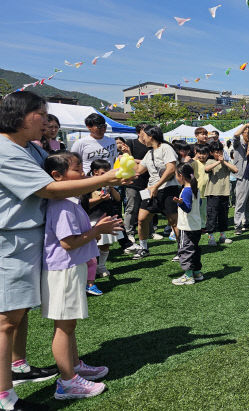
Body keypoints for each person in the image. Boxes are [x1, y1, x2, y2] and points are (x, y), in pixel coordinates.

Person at [0, 91, 128, 409]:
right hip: (12, 241)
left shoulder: (30, 146)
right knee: (5, 320)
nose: (46, 120)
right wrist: (109, 176)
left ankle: (18, 366)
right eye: (40, 114)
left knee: (19, 312)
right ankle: (4, 395)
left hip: (33, 240)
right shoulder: (4, 150)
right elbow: (50, 187)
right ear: (20, 115)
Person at [42, 152, 119, 400]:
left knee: (69, 323)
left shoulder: (69, 201)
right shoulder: (62, 205)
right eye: (77, 168)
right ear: (57, 176)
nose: (84, 173)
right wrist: (98, 230)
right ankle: (67, 382)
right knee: (64, 326)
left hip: (70, 267)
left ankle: (73, 366)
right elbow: (67, 243)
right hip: (64, 269)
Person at [132, 125, 179, 260]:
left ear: (151, 136)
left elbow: (171, 169)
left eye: (144, 135)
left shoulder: (166, 148)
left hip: (168, 189)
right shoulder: (149, 153)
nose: (142, 138)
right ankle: (144, 247)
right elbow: (139, 171)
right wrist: (127, 156)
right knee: (141, 219)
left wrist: (156, 186)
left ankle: (181, 250)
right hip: (150, 189)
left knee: (173, 221)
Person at [82, 160, 123, 295]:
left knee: (105, 245)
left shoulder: (108, 184)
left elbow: (117, 199)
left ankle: (101, 266)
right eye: (103, 172)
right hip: (92, 219)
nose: (106, 174)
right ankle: (88, 277)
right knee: (91, 248)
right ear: (95, 172)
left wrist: (111, 187)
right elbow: (85, 204)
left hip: (107, 217)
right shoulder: (88, 185)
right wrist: (100, 199)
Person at [171, 163, 203, 285]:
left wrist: (180, 203)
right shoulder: (195, 189)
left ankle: (188, 275)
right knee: (194, 249)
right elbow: (198, 204)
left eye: (176, 176)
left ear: (181, 176)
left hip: (187, 226)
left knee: (185, 249)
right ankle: (197, 272)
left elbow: (188, 208)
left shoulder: (186, 190)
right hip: (196, 225)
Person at [122, 123, 150, 254]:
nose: (147, 134)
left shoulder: (151, 145)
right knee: (132, 207)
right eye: (145, 131)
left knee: (146, 208)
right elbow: (125, 158)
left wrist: (137, 160)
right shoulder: (131, 143)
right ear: (139, 132)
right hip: (133, 183)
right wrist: (144, 161)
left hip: (147, 183)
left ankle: (149, 232)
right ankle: (129, 233)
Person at [204, 141, 238, 245]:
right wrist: (218, 162)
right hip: (213, 193)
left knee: (223, 216)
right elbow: (206, 169)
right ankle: (211, 237)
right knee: (212, 216)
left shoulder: (226, 162)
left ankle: (222, 236)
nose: (219, 153)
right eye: (216, 151)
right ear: (211, 153)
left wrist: (224, 162)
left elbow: (235, 170)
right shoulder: (210, 161)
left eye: (220, 151)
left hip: (224, 193)